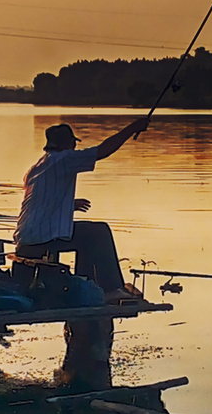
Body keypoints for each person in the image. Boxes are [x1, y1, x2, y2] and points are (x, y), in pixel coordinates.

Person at [14, 118, 149, 302]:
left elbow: (41, 204)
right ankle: (110, 288)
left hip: (26, 238)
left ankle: (86, 284)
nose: (75, 149)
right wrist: (132, 128)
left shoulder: (37, 168)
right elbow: (103, 151)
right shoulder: (65, 159)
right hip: (41, 239)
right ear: (68, 144)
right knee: (99, 232)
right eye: (73, 144)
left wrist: (69, 204)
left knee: (86, 235)